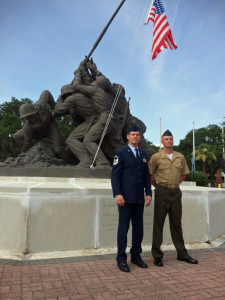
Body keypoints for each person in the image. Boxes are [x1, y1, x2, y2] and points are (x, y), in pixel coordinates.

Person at [148, 129, 198, 267]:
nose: (169, 141)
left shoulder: (180, 156)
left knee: (176, 224)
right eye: (166, 139)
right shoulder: (156, 157)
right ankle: (157, 256)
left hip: (176, 192)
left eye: (171, 139)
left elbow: (184, 174)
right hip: (162, 191)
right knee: (158, 223)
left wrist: (174, 185)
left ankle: (182, 254)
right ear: (162, 141)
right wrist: (158, 187)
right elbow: (151, 175)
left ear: (173, 141)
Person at [111, 124, 152, 272]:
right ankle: (121, 259)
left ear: (140, 137)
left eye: (137, 134)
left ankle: (136, 256)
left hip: (139, 199)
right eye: (132, 134)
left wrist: (148, 193)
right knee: (123, 229)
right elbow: (115, 176)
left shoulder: (143, 155)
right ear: (127, 136)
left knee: (138, 229)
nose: (135, 137)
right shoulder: (121, 153)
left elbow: (146, 176)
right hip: (125, 199)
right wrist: (117, 194)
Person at [13, 90, 64, 158]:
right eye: (26, 117)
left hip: (50, 127)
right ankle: (39, 145)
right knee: (17, 136)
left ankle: (51, 147)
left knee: (58, 150)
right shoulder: (27, 126)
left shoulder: (41, 105)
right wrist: (25, 153)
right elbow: (27, 142)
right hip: (38, 133)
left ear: (35, 112)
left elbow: (46, 92)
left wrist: (54, 107)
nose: (29, 119)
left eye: (30, 116)